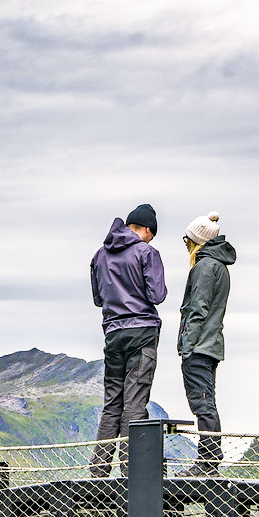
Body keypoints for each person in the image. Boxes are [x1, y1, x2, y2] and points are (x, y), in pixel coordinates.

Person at [89, 203, 167, 478]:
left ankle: (98, 473)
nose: (150, 239)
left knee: (112, 402)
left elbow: (98, 299)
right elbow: (157, 295)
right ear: (146, 230)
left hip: (112, 333)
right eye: (151, 235)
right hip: (142, 332)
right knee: (134, 403)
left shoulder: (100, 255)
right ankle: (131, 473)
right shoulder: (147, 252)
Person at [176, 212, 236, 475]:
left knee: (202, 405)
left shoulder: (203, 267)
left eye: (187, 239)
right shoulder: (220, 266)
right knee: (207, 402)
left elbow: (197, 310)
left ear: (196, 240)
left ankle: (207, 463)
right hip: (211, 345)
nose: (186, 244)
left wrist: (186, 347)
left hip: (199, 347)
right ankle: (210, 460)